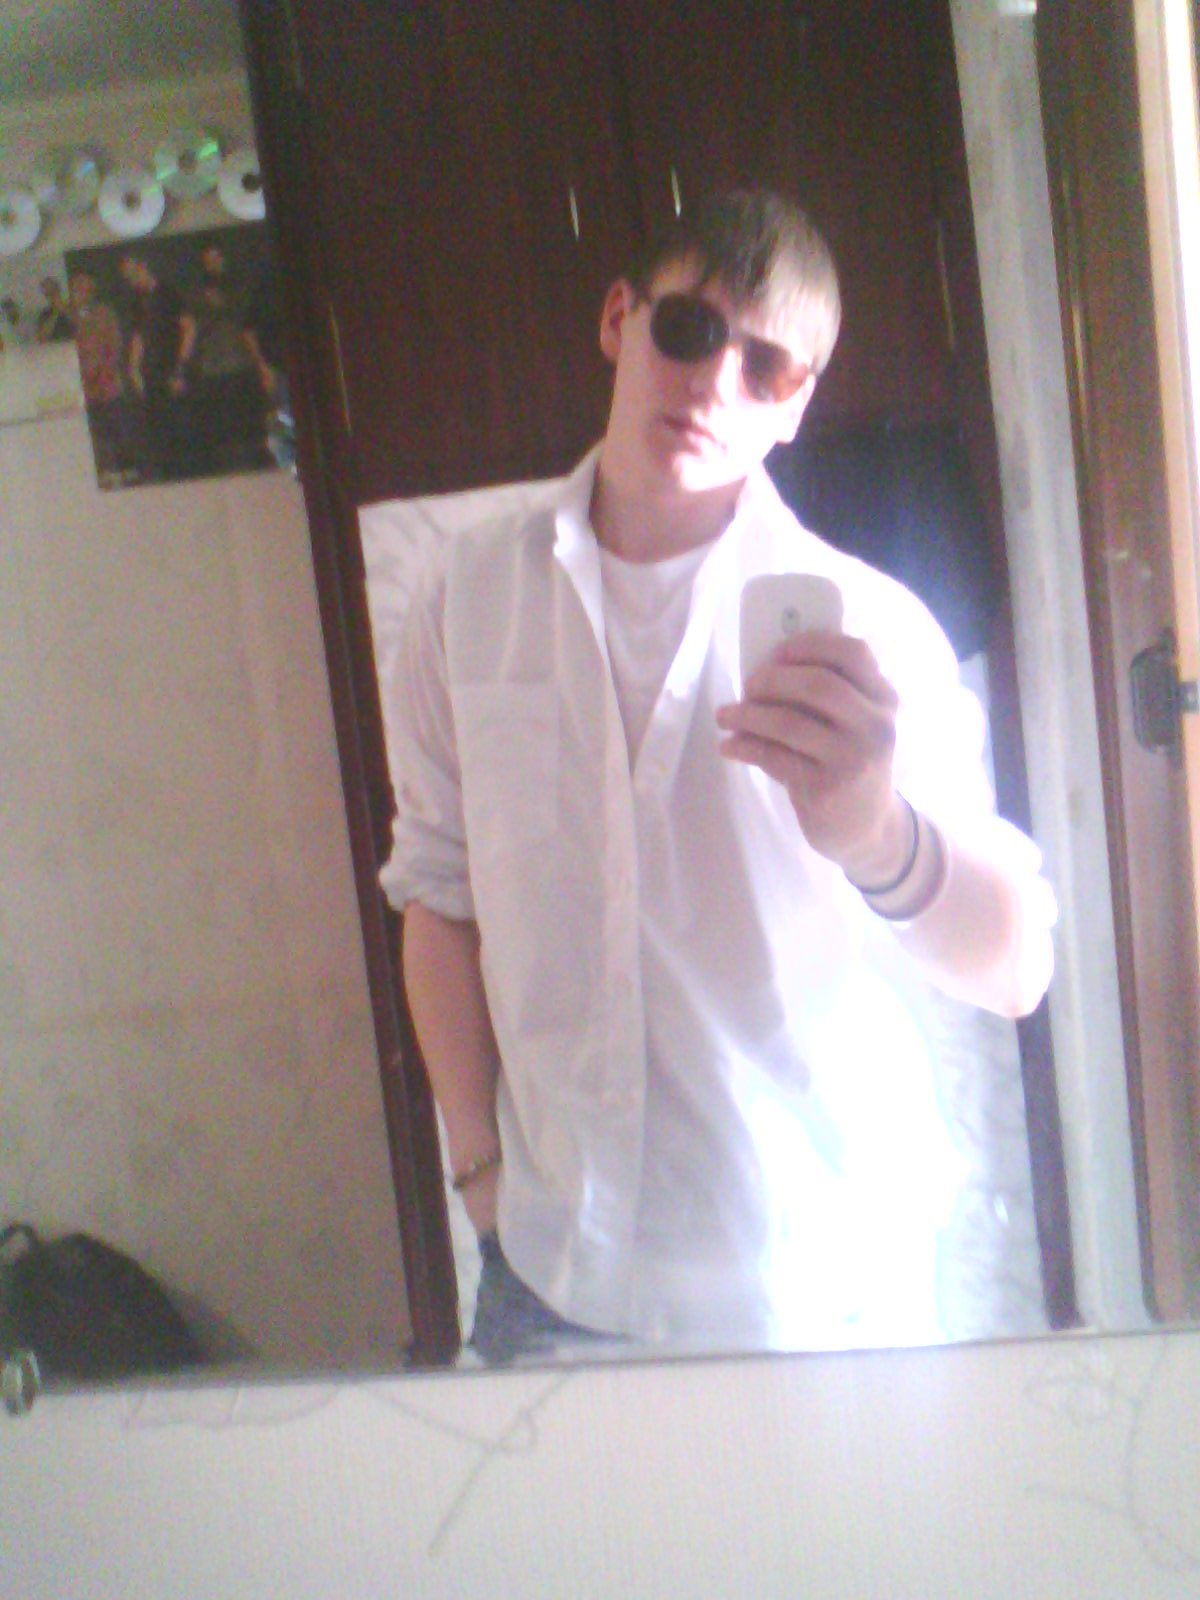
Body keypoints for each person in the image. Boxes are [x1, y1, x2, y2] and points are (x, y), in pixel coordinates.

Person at [380, 189, 1056, 1363]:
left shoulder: (872, 630)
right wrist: (476, 1173)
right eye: (689, 331)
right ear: (619, 320)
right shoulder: (464, 595)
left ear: (797, 403)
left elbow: (1017, 969)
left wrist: (877, 834)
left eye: (765, 365)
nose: (713, 382)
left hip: (818, 1288)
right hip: (547, 1263)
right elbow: (438, 900)